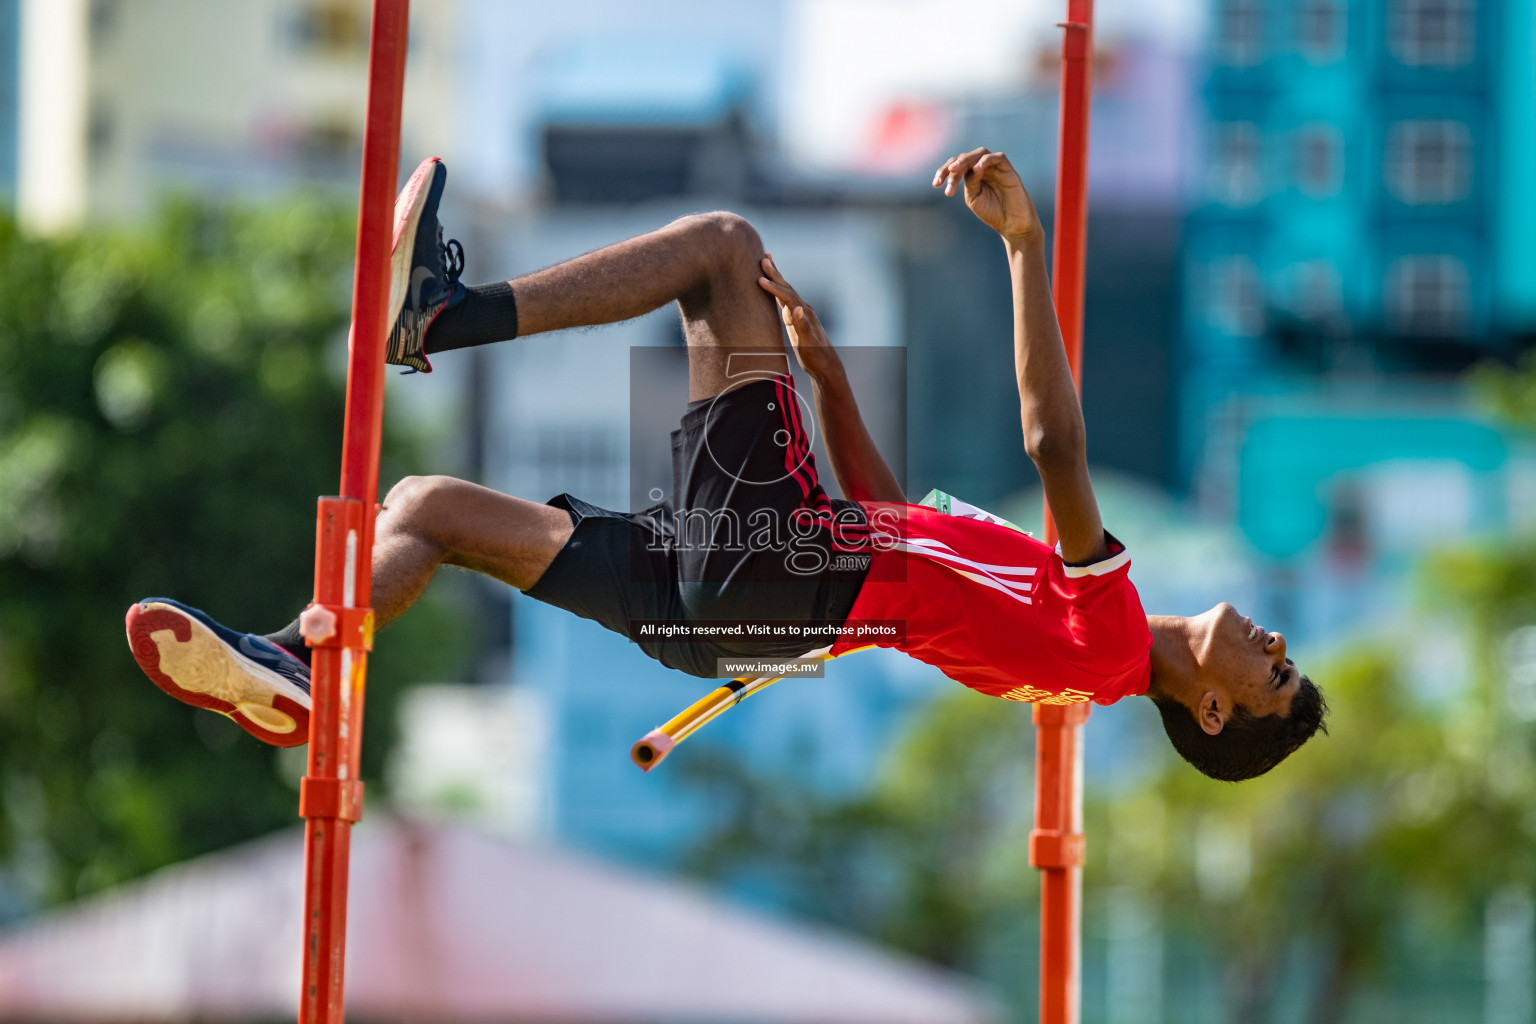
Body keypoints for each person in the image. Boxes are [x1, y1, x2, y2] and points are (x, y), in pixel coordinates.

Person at [125, 148, 1326, 782]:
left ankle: (442, 315)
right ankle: (298, 659)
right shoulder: (1077, 667)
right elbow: (898, 524)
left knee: (719, 248)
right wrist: (830, 383)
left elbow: (1051, 438)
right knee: (426, 507)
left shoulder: (1113, 633)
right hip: (743, 616)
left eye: (1269, 679)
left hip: (779, 572)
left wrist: (1025, 247)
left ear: (1210, 709)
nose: (1274, 646)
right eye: (1286, 657)